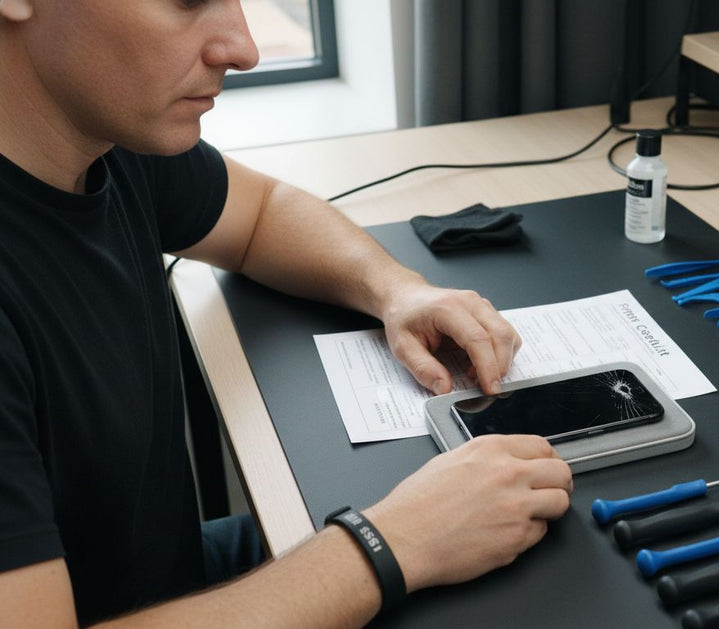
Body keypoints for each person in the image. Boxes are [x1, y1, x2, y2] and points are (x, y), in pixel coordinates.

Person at [0, 1, 574, 626]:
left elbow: (262, 213)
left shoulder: (103, 133)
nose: (242, 49)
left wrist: (398, 291)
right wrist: (391, 544)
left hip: (170, 578)